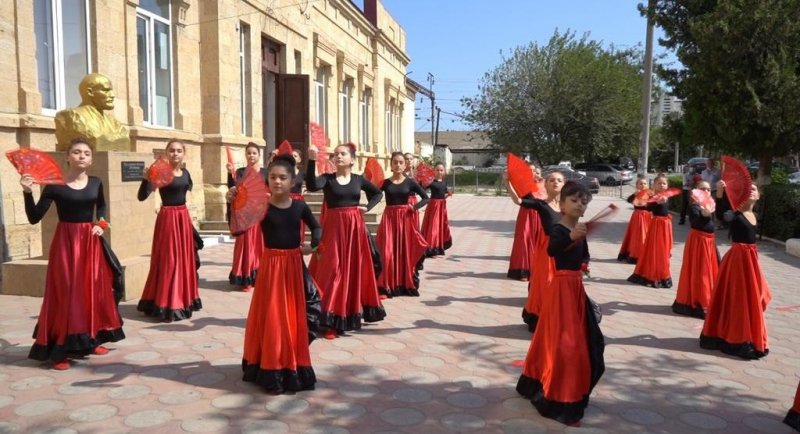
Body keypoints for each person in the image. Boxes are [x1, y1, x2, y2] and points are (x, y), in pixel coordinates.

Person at [21, 138, 125, 369]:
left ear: (91, 159)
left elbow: (103, 208)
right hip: (66, 245)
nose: (81, 156)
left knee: (92, 290)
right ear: (67, 157)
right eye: (76, 152)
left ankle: (91, 339)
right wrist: (27, 192)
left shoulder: (96, 182)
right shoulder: (54, 185)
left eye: (86, 153)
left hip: (90, 242)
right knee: (67, 293)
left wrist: (101, 224)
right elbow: (34, 216)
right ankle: (60, 351)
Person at [516, 181, 604, 427]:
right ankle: (561, 398)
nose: (579, 204)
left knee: (579, 341)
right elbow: (553, 251)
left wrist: (584, 265)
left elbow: (584, 256)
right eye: (574, 200)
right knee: (568, 345)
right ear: (563, 204)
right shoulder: (558, 228)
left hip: (575, 290)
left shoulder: (580, 228)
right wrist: (570, 238)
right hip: (562, 291)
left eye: (583, 201)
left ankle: (534, 380)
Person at [242, 154, 321, 394]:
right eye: (273, 177)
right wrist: (232, 203)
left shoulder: (299, 206)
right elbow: (238, 229)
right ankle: (272, 365)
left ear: (292, 180)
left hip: (294, 265)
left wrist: (314, 245)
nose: (277, 181)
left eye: (282, 177)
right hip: (271, 267)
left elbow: (316, 226)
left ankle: (292, 360)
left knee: (297, 313)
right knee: (274, 315)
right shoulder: (261, 206)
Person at [306, 142, 385, 338]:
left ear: (352, 160)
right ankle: (328, 318)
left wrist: (367, 208)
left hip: (354, 229)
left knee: (351, 271)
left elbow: (377, 193)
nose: (338, 156)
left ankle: (344, 315)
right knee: (332, 270)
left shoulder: (358, 180)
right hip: (333, 229)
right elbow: (311, 185)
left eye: (343, 154)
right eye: (335, 154)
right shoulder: (327, 179)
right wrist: (311, 160)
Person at [700, 182, 771, 360]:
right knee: (738, 297)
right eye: (747, 190)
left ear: (758, 196)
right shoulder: (735, 213)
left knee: (753, 296)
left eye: (753, 189)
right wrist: (721, 192)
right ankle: (734, 334)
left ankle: (746, 332)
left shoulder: (754, 214)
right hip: (737, 261)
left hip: (750, 260)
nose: (750, 192)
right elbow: (723, 212)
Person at [137, 140, 202, 321]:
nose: (175, 154)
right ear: (166, 153)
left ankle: (184, 298)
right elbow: (142, 197)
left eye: (179, 151)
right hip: (167, 218)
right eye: (172, 150)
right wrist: (145, 179)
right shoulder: (160, 172)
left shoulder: (186, 173)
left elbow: (188, 190)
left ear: (183, 154)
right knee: (169, 260)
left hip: (183, 218)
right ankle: (167, 302)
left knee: (183, 260)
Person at [512, 171, 564, 332]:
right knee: (545, 282)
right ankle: (540, 316)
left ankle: (557, 316)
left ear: (564, 184)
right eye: (552, 180)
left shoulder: (567, 205)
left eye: (559, 180)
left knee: (561, 283)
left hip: (564, 249)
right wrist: (508, 183)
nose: (555, 182)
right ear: (546, 184)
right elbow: (518, 200)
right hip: (547, 250)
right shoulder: (541, 205)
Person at [376, 152, 430, 298]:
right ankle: (386, 285)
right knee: (387, 253)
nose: (398, 165)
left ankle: (403, 283)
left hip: (404, 219)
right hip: (389, 219)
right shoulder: (386, 183)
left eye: (401, 162)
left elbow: (426, 198)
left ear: (405, 165)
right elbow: (375, 195)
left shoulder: (410, 182)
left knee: (403, 251)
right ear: (391, 165)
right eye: (395, 162)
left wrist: (415, 207)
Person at [672, 181, 720, 318]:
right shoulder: (694, 206)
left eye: (708, 189)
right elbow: (695, 222)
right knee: (700, 271)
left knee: (710, 270)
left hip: (709, 241)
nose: (706, 191)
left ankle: (708, 297)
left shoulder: (710, 204)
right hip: (699, 242)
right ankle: (699, 300)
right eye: (702, 189)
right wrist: (705, 214)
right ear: (695, 191)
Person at [226, 143, 268, 292]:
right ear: (245, 155)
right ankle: (246, 278)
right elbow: (233, 189)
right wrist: (229, 174)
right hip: (245, 214)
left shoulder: (266, 172)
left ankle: (261, 276)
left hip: (261, 214)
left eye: (254, 153)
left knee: (260, 245)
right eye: (249, 153)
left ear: (259, 155)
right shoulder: (240, 172)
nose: (251, 156)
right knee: (246, 245)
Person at [54, 73, 130, 151]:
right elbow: (97, 140)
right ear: (90, 92)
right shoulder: (70, 117)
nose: (112, 95)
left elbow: (125, 140)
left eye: (111, 90)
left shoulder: (113, 122)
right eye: (105, 90)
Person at [628, 174, 674, 288]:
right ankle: (653, 273)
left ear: (667, 185)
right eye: (659, 183)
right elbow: (647, 207)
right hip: (657, 225)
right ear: (654, 185)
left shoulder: (666, 196)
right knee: (656, 248)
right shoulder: (653, 197)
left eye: (664, 183)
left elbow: (667, 209)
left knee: (665, 249)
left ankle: (661, 270)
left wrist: (664, 201)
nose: (662, 185)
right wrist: (656, 203)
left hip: (666, 225)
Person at [507, 164, 544, 281]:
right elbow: (516, 198)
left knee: (539, 242)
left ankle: (537, 270)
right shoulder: (523, 184)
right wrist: (506, 181)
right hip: (527, 216)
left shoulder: (545, 184)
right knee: (524, 241)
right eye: (531, 171)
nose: (534, 173)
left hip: (541, 216)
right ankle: (522, 270)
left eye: (536, 171)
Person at [421, 162, 453, 258]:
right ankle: (431, 249)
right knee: (433, 226)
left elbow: (445, 193)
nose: (439, 172)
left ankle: (438, 247)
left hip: (442, 206)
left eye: (441, 170)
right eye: (437, 170)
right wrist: (421, 181)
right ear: (434, 171)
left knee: (440, 226)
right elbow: (422, 189)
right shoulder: (431, 182)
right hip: (434, 206)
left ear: (444, 172)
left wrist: (448, 194)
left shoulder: (444, 182)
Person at [618, 177, 652, 264]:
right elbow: (629, 200)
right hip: (638, 217)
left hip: (647, 217)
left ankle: (645, 254)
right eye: (640, 183)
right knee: (638, 235)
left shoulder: (650, 194)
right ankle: (635, 254)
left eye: (644, 183)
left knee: (646, 235)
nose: (643, 185)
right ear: (637, 185)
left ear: (647, 185)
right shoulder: (636, 194)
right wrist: (634, 194)